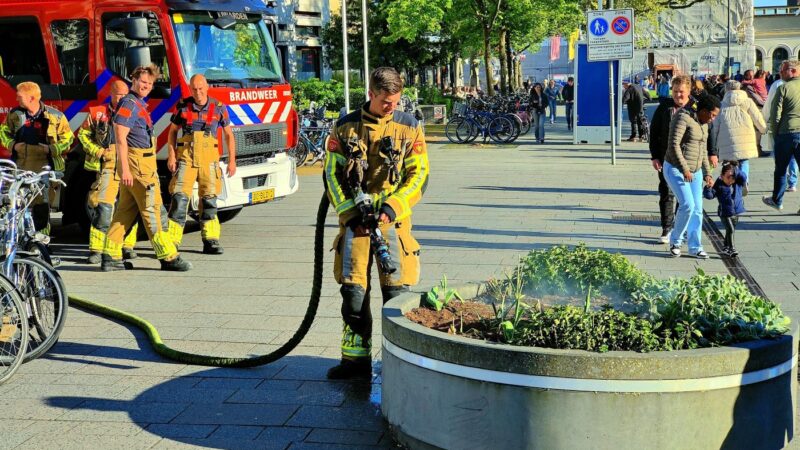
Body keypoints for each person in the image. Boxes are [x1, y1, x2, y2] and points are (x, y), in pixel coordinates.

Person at [323, 67, 429, 379]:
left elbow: (419, 174)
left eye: (396, 101)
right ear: (371, 93)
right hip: (356, 224)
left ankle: (401, 362)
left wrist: (393, 208)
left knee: (397, 295)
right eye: (385, 102)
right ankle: (355, 363)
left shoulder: (410, 127)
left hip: (393, 226)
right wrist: (350, 214)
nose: (391, 107)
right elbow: (331, 174)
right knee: (353, 294)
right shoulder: (345, 127)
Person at [100, 65, 191, 272]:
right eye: (142, 82)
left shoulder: (136, 103)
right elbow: (120, 138)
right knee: (153, 210)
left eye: (150, 84)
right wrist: (124, 170)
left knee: (125, 212)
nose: (146, 86)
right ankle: (168, 256)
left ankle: (110, 255)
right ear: (133, 80)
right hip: (138, 166)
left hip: (141, 164)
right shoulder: (129, 104)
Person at [166, 74, 237, 255]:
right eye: (194, 89)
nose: (198, 92)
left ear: (206, 87)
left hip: (209, 160)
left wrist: (232, 161)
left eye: (201, 88)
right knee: (179, 199)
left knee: (209, 201)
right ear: (190, 89)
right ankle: (172, 241)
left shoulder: (219, 107)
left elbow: (229, 135)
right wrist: (171, 156)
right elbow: (172, 132)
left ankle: (211, 240)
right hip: (186, 159)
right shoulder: (183, 106)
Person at [0, 81, 73, 234]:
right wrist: (13, 145)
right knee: (19, 206)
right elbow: (3, 132)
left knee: (42, 208)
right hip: (21, 167)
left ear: (31, 98)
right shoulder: (15, 115)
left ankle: (41, 241)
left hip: (45, 168)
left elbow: (68, 139)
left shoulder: (55, 116)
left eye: (19, 96)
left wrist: (51, 149)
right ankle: (22, 240)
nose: (16, 99)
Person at [79, 80, 139, 264]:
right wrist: (99, 152)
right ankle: (96, 249)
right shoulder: (98, 113)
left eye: (124, 95)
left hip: (129, 163)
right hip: (108, 165)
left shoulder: (135, 111)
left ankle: (127, 246)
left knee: (129, 206)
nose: (122, 99)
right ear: (111, 94)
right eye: (118, 95)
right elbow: (82, 135)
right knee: (103, 206)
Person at [663, 94, 720, 258]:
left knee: (697, 210)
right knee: (687, 205)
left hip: (696, 171)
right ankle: (676, 241)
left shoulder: (704, 124)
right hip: (675, 168)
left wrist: (707, 173)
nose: (713, 119)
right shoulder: (683, 117)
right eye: (712, 115)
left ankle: (695, 247)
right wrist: (684, 169)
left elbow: (703, 150)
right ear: (704, 111)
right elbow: (673, 145)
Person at [649, 75, 693, 244]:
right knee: (666, 193)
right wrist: (654, 156)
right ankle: (667, 228)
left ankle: (680, 230)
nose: (678, 95)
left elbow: (705, 132)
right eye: (675, 91)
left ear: (688, 91)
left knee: (685, 197)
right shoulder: (664, 107)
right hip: (666, 158)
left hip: (689, 159)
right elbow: (654, 132)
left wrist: (712, 153)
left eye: (681, 91)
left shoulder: (694, 108)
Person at [763, 59, 800, 212]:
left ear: (793, 71)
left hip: (786, 134)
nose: (780, 73)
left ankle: (777, 200)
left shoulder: (783, 88)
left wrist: (775, 133)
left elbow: (775, 114)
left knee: (780, 170)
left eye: (783, 70)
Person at [712, 80, 766, 182]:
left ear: (726, 90)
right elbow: (757, 117)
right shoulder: (748, 102)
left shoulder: (721, 105)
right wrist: (763, 129)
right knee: (744, 160)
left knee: (730, 163)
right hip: (745, 137)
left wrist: (712, 141)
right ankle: (743, 181)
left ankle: (732, 181)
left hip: (726, 139)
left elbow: (715, 125)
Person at [704, 161, 746, 258]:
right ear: (722, 176)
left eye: (733, 177)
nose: (730, 179)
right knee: (730, 229)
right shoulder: (719, 184)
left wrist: (735, 169)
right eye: (728, 177)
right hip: (725, 212)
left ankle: (725, 247)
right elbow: (710, 196)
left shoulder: (738, 182)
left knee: (730, 230)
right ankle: (732, 248)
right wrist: (708, 188)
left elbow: (743, 176)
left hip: (736, 211)